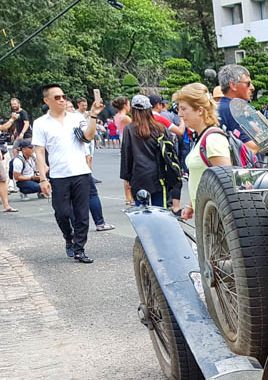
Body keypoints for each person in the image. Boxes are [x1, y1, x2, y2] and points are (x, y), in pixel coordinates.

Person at [33, 84, 104, 263]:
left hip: (81, 172)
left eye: (64, 96)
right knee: (62, 212)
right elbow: (39, 153)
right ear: (46, 101)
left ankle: (80, 249)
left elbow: (87, 136)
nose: (62, 100)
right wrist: (43, 178)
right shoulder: (41, 123)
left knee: (82, 214)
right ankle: (68, 237)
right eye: (57, 97)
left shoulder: (76, 118)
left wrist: (93, 115)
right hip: (58, 175)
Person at [173, 83, 231, 220]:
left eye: (183, 109)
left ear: (200, 110)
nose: (180, 114)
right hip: (207, 215)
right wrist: (190, 204)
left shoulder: (212, 139)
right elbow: (199, 177)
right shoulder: (203, 136)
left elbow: (227, 183)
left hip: (215, 221)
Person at [120, 95, 171, 208]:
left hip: (138, 175)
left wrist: (127, 176)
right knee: (160, 210)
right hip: (158, 174)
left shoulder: (129, 129)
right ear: (149, 109)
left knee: (141, 211)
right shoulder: (160, 128)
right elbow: (168, 151)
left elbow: (126, 154)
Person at [74, 97, 113, 231]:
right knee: (83, 196)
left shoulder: (79, 120)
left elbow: (88, 136)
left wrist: (93, 114)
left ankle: (99, 223)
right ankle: (76, 228)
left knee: (90, 194)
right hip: (74, 167)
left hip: (82, 164)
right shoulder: (75, 119)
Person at [216, 63, 253, 141]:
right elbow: (251, 147)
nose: (252, 87)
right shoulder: (234, 110)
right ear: (233, 85)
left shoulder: (220, 108)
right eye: (248, 83)